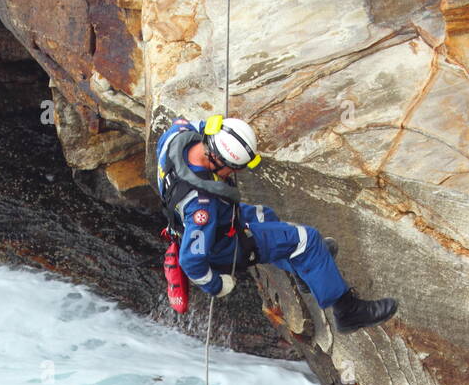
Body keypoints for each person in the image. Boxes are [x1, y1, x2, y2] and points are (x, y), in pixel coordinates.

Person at [156, 114, 398, 332]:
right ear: (216, 160)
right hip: (224, 246)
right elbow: (192, 260)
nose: (235, 173)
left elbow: (197, 124)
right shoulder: (202, 205)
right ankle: (348, 311)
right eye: (234, 168)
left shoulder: (175, 138)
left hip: (212, 221)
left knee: (266, 216)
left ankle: (308, 270)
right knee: (308, 240)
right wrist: (217, 285)